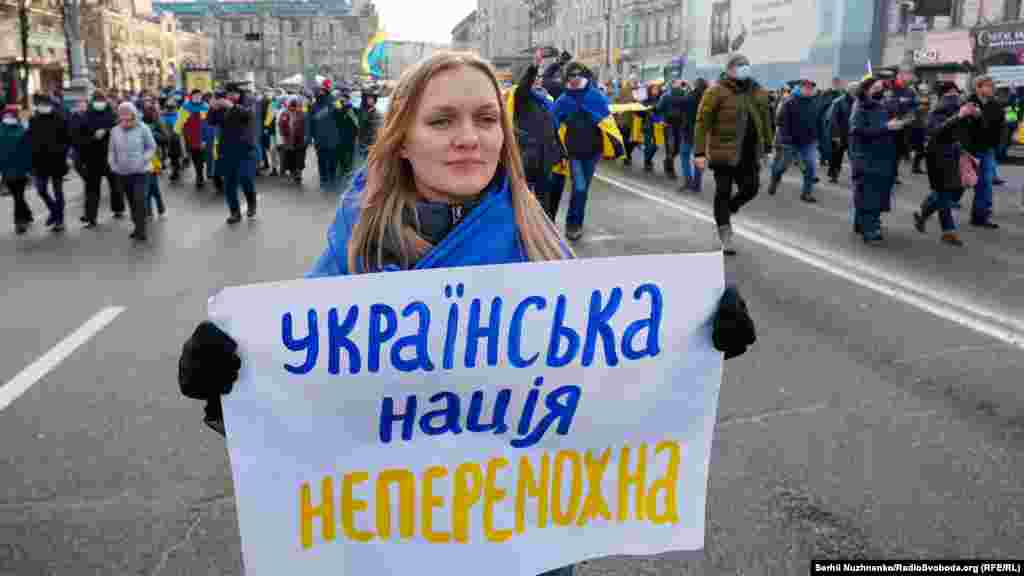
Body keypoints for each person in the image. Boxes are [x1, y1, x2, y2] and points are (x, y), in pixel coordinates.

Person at [176, 52, 757, 576]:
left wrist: (695, 335)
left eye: (485, 120)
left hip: (528, 546)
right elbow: (301, 395)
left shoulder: (541, 240)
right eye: (441, 121)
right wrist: (231, 383)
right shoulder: (355, 247)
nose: (469, 138)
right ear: (401, 139)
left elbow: (608, 384)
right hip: (397, 545)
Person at [693, 54, 772, 255]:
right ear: (729, 69)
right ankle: (725, 235)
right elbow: (702, 123)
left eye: (746, 65)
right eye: (739, 66)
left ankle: (729, 208)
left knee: (751, 188)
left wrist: (768, 149)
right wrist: (700, 152)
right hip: (723, 153)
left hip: (748, 154)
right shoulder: (716, 91)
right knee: (723, 191)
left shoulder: (758, 91)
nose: (744, 69)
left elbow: (765, 122)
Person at [552, 61, 625, 241]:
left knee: (583, 191)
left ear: (582, 76)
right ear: (567, 78)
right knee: (579, 187)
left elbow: (607, 121)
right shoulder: (563, 100)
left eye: (577, 75)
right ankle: (572, 224)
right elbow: (551, 124)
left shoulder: (595, 96)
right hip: (573, 152)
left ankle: (577, 222)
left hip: (593, 152)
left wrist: (616, 146)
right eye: (571, 76)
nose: (575, 79)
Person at [913, 81, 977, 247]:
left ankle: (923, 212)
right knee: (943, 193)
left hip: (954, 153)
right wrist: (959, 116)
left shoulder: (958, 109)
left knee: (950, 192)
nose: (955, 96)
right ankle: (948, 232)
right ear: (944, 95)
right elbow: (936, 131)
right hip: (938, 155)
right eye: (951, 93)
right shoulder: (938, 110)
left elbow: (964, 132)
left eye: (957, 93)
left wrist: (974, 116)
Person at [849, 76, 901, 245]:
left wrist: (896, 126)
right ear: (866, 90)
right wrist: (885, 128)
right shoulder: (860, 107)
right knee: (868, 193)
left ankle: (862, 223)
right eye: (876, 88)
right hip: (866, 156)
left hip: (883, 156)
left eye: (882, 87)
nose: (880, 91)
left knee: (876, 192)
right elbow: (858, 131)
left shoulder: (883, 106)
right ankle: (870, 229)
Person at [509, 62, 563, 216]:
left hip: (546, 154)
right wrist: (533, 67)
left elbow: (552, 126)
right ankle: (520, 223)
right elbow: (524, 85)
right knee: (522, 191)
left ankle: (544, 226)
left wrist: (558, 150)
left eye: (539, 77)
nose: (538, 80)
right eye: (535, 77)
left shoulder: (547, 99)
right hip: (528, 153)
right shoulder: (522, 97)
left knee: (544, 194)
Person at [108, 101, 157, 242]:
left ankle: (141, 230)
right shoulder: (115, 130)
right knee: (131, 202)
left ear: (133, 114)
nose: (125, 119)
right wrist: (113, 165)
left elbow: (152, 147)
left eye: (127, 115)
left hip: (141, 172)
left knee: (139, 199)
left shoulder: (143, 128)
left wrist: (143, 159)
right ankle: (137, 226)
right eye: (122, 115)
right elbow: (111, 151)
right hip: (123, 173)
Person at [208, 88, 259, 223]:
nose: (231, 96)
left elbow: (248, 115)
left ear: (239, 94)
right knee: (229, 184)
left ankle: (251, 203)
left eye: (234, 93)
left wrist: (232, 106)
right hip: (227, 151)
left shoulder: (248, 104)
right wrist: (213, 107)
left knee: (245, 178)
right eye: (228, 94)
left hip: (245, 150)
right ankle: (234, 213)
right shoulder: (222, 108)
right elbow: (211, 121)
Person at [767, 77, 820, 202]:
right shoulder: (789, 102)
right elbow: (780, 121)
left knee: (810, 167)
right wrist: (786, 139)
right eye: (806, 88)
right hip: (790, 141)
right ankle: (775, 180)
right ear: (799, 88)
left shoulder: (815, 102)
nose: (809, 90)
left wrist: (818, 136)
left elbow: (818, 121)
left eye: (811, 88)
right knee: (782, 167)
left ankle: (806, 193)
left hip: (808, 141)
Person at [27, 93, 71, 232]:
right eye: (40, 104)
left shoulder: (60, 118)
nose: (43, 107)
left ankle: (60, 220)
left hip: (57, 160)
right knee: (41, 189)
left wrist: (63, 152)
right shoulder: (34, 119)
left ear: (51, 105)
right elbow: (30, 139)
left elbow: (67, 138)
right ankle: (54, 211)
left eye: (45, 104)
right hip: (40, 162)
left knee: (58, 191)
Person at [964, 75, 1003, 229]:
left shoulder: (995, 105)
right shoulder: (968, 103)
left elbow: (998, 126)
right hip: (969, 150)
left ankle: (980, 217)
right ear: (978, 87)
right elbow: (963, 127)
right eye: (988, 85)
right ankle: (932, 206)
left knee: (985, 184)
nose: (992, 88)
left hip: (987, 149)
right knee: (956, 186)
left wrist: (997, 145)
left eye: (992, 85)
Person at [77, 91, 120, 228]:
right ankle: (91, 217)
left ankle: (118, 208)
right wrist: (93, 138)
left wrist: (106, 131)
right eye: (97, 100)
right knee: (92, 189)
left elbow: (118, 133)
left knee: (115, 185)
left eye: (101, 100)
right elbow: (80, 138)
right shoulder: (86, 117)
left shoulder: (112, 116)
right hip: (92, 157)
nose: (99, 103)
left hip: (110, 156)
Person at [0, 105, 33, 235]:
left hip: (20, 170)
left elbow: (27, 150)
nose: (8, 117)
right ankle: (27, 214)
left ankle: (19, 222)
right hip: (7, 170)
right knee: (17, 196)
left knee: (18, 196)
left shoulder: (22, 130)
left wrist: (29, 169)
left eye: (11, 115)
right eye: (6, 115)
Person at [308, 79, 343, 189]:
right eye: (318, 91)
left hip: (332, 137)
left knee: (332, 159)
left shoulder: (333, 101)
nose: (320, 93)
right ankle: (324, 178)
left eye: (322, 91)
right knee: (321, 160)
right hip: (320, 139)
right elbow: (310, 122)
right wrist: (311, 137)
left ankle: (331, 177)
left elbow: (340, 113)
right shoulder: (313, 106)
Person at [175, 89, 213, 188]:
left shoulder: (205, 107)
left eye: (199, 96)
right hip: (191, 137)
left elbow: (208, 123)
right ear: (191, 96)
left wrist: (207, 137)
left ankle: (202, 174)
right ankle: (199, 176)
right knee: (196, 158)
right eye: (195, 96)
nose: (197, 98)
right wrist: (178, 133)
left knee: (203, 157)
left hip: (203, 137)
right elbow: (180, 122)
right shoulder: (185, 107)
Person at [679, 78, 707, 192]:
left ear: (695, 86)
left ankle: (688, 180)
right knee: (699, 158)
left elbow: (681, 105)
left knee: (684, 155)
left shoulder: (690, 97)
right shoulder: (708, 98)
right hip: (702, 133)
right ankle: (697, 185)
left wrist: (687, 90)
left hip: (688, 131)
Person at [826, 81, 857, 184]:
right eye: (853, 90)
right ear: (849, 90)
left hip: (853, 135)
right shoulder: (838, 102)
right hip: (840, 134)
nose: (855, 92)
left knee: (855, 157)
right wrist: (835, 135)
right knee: (836, 157)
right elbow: (832, 119)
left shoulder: (858, 101)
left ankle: (857, 176)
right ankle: (834, 175)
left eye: (857, 90)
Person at [657, 78, 688, 180]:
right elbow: (659, 108)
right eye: (678, 83)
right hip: (668, 124)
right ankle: (670, 170)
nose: (680, 84)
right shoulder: (666, 95)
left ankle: (667, 161)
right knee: (670, 148)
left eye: (680, 83)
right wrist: (662, 119)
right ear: (673, 84)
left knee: (677, 148)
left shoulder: (684, 94)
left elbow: (687, 107)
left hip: (679, 125)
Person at [142, 101, 168, 219]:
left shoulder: (158, 122)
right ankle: (150, 212)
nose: (147, 112)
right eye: (145, 110)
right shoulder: (140, 123)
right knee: (148, 187)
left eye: (150, 110)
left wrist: (152, 134)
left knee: (152, 188)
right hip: (142, 159)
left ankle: (157, 210)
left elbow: (165, 138)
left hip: (155, 159)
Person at [279, 96, 307, 184]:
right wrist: (284, 135)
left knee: (299, 158)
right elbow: (281, 125)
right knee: (291, 158)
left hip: (300, 140)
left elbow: (305, 125)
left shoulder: (301, 113)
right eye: (291, 107)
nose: (293, 109)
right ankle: (294, 173)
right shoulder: (285, 113)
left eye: (295, 107)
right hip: (289, 141)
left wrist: (305, 137)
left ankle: (298, 174)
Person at [335, 88, 360, 182]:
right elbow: (335, 117)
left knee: (349, 153)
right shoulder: (338, 107)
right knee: (342, 153)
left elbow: (356, 123)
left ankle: (348, 170)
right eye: (342, 98)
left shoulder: (353, 109)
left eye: (346, 98)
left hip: (350, 136)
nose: (344, 100)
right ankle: (344, 169)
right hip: (341, 135)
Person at [357, 89, 382, 160]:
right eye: (368, 98)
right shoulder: (362, 111)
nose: (370, 100)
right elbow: (361, 124)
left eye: (372, 98)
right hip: (363, 143)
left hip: (371, 144)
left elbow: (377, 130)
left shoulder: (376, 113)